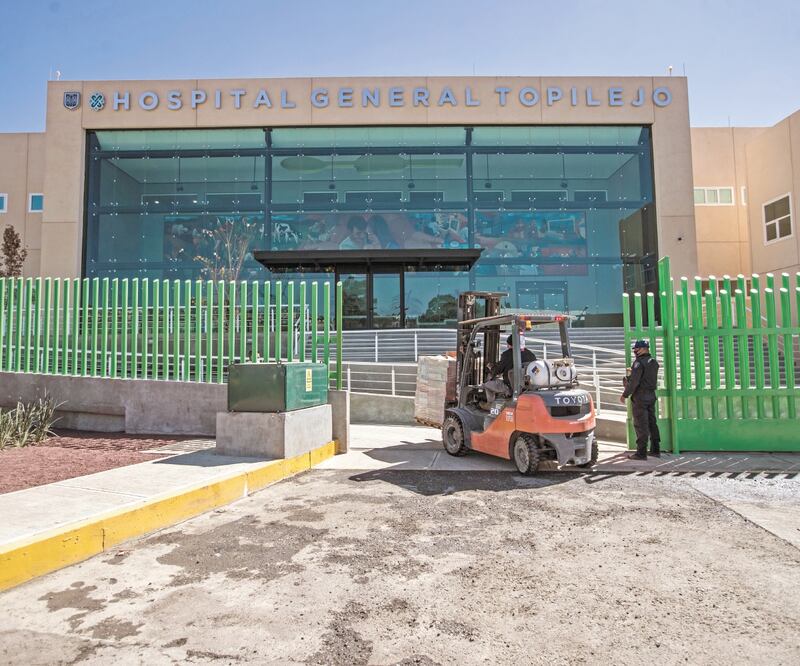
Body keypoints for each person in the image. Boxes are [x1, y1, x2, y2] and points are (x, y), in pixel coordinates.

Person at [620, 339, 661, 460]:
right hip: (651, 395)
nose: (635, 351)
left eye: (637, 349)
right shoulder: (653, 362)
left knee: (641, 424)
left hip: (640, 397)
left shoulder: (638, 363)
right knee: (652, 423)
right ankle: (655, 450)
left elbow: (634, 382)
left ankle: (641, 453)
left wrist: (625, 394)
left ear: (644, 348)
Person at [482, 334, 537, 403]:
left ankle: (490, 404)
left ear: (511, 344)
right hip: (527, 386)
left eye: (508, 344)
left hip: (510, 387)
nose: (507, 346)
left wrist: (491, 367)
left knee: (487, 385)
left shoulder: (507, 355)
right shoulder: (531, 355)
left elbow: (497, 371)